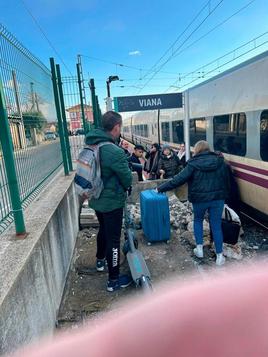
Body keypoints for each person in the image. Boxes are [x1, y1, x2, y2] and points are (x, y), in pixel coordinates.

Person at [157, 140, 230, 266]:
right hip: (218, 198)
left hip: (199, 199)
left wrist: (160, 188)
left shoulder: (193, 164)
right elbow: (227, 181)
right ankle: (219, 257)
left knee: (198, 220)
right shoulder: (220, 162)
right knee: (216, 225)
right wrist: (225, 196)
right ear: (208, 149)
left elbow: (178, 180)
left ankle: (199, 250)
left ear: (196, 150)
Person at [85, 111, 133, 292]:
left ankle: (100, 261)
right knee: (114, 240)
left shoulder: (92, 143)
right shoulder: (113, 151)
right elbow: (126, 178)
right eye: (120, 127)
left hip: (96, 198)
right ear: (116, 127)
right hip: (111, 202)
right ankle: (113, 280)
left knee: (103, 229)